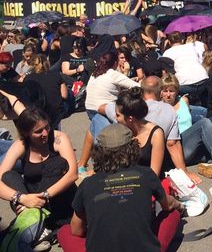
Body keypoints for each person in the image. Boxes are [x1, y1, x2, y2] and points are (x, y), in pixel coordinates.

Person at [57, 124, 183, 252]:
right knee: (172, 214)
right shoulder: (147, 174)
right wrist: (179, 205)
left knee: (64, 231)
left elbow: (76, 230)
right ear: (133, 148)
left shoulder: (87, 184)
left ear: (98, 153)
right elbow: (168, 205)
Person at [0, 107, 78, 232]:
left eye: (47, 127)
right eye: (38, 131)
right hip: (30, 197)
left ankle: (33, 220)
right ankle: (34, 219)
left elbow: (73, 174)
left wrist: (43, 197)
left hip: (57, 196)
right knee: (8, 176)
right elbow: (1, 178)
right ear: (26, 133)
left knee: (58, 163)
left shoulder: (59, 139)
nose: (45, 134)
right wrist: (22, 198)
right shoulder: (21, 145)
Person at [160, 74, 212, 178]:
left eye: (171, 91)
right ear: (160, 92)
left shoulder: (184, 101)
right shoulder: (160, 108)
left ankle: (209, 162)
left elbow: (189, 121)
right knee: (204, 123)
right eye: (165, 91)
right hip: (180, 147)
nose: (168, 95)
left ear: (177, 91)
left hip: (194, 146)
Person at [114, 88, 165, 176]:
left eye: (118, 115)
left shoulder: (156, 134)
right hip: (125, 177)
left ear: (130, 118)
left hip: (146, 181)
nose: (115, 118)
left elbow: (154, 173)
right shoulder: (122, 130)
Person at [25, 54, 69, 130]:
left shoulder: (28, 78)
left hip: (37, 112)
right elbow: (64, 95)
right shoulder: (56, 75)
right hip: (55, 111)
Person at [162, 31, 208, 99]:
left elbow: (165, 74)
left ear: (168, 41)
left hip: (185, 84)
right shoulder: (191, 47)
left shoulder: (167, 53)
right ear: (182, 40)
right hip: (203, 79)